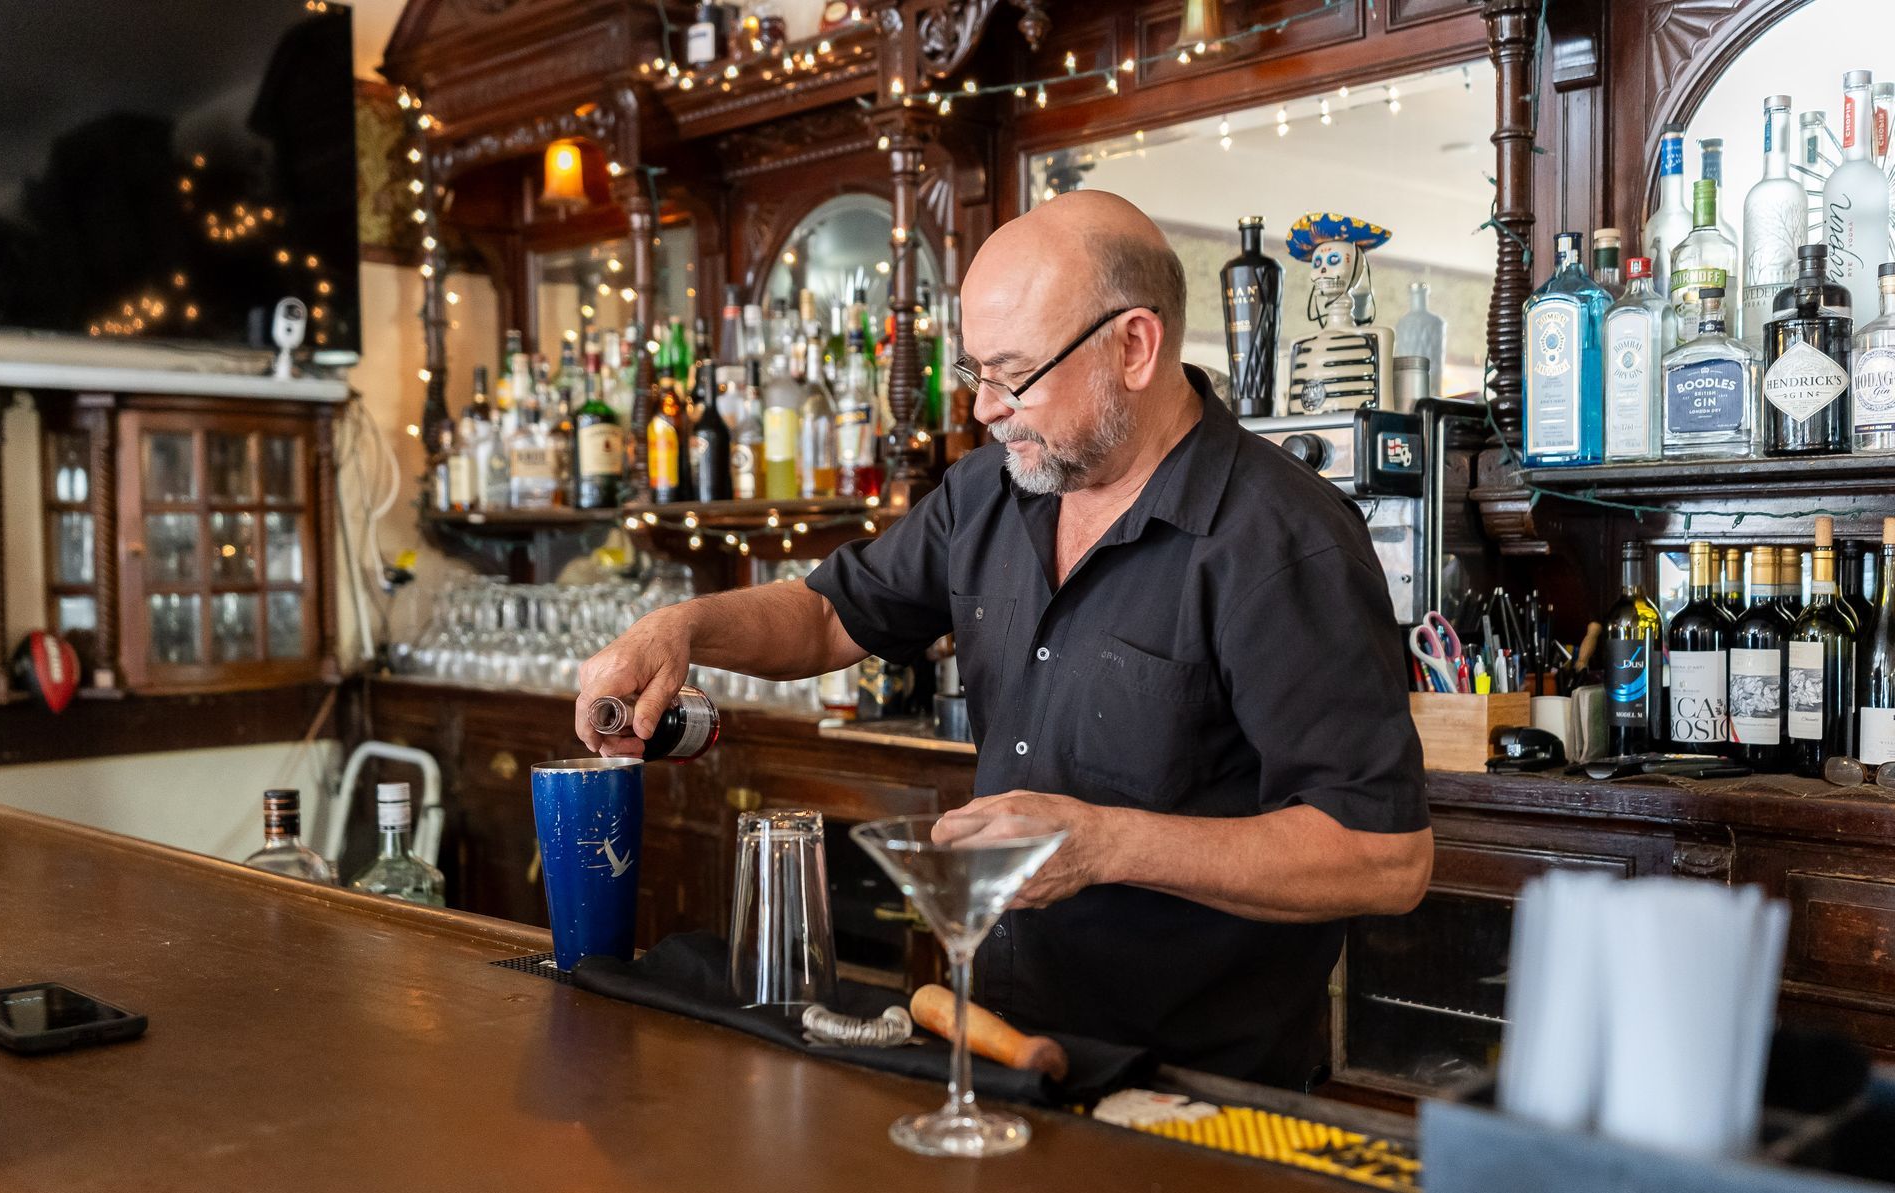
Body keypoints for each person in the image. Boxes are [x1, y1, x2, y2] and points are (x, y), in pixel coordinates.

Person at [576, 190, 1432, 1086]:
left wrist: (1106, 844)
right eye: (974, 369)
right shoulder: (992, 489)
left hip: (1194, 1092)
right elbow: (833, 615)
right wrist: (681, 628)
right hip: (994, 1049)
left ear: (1135, 346)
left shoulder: (1281, 541)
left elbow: (1383, 857)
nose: (984, 408)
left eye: (1013, 373)